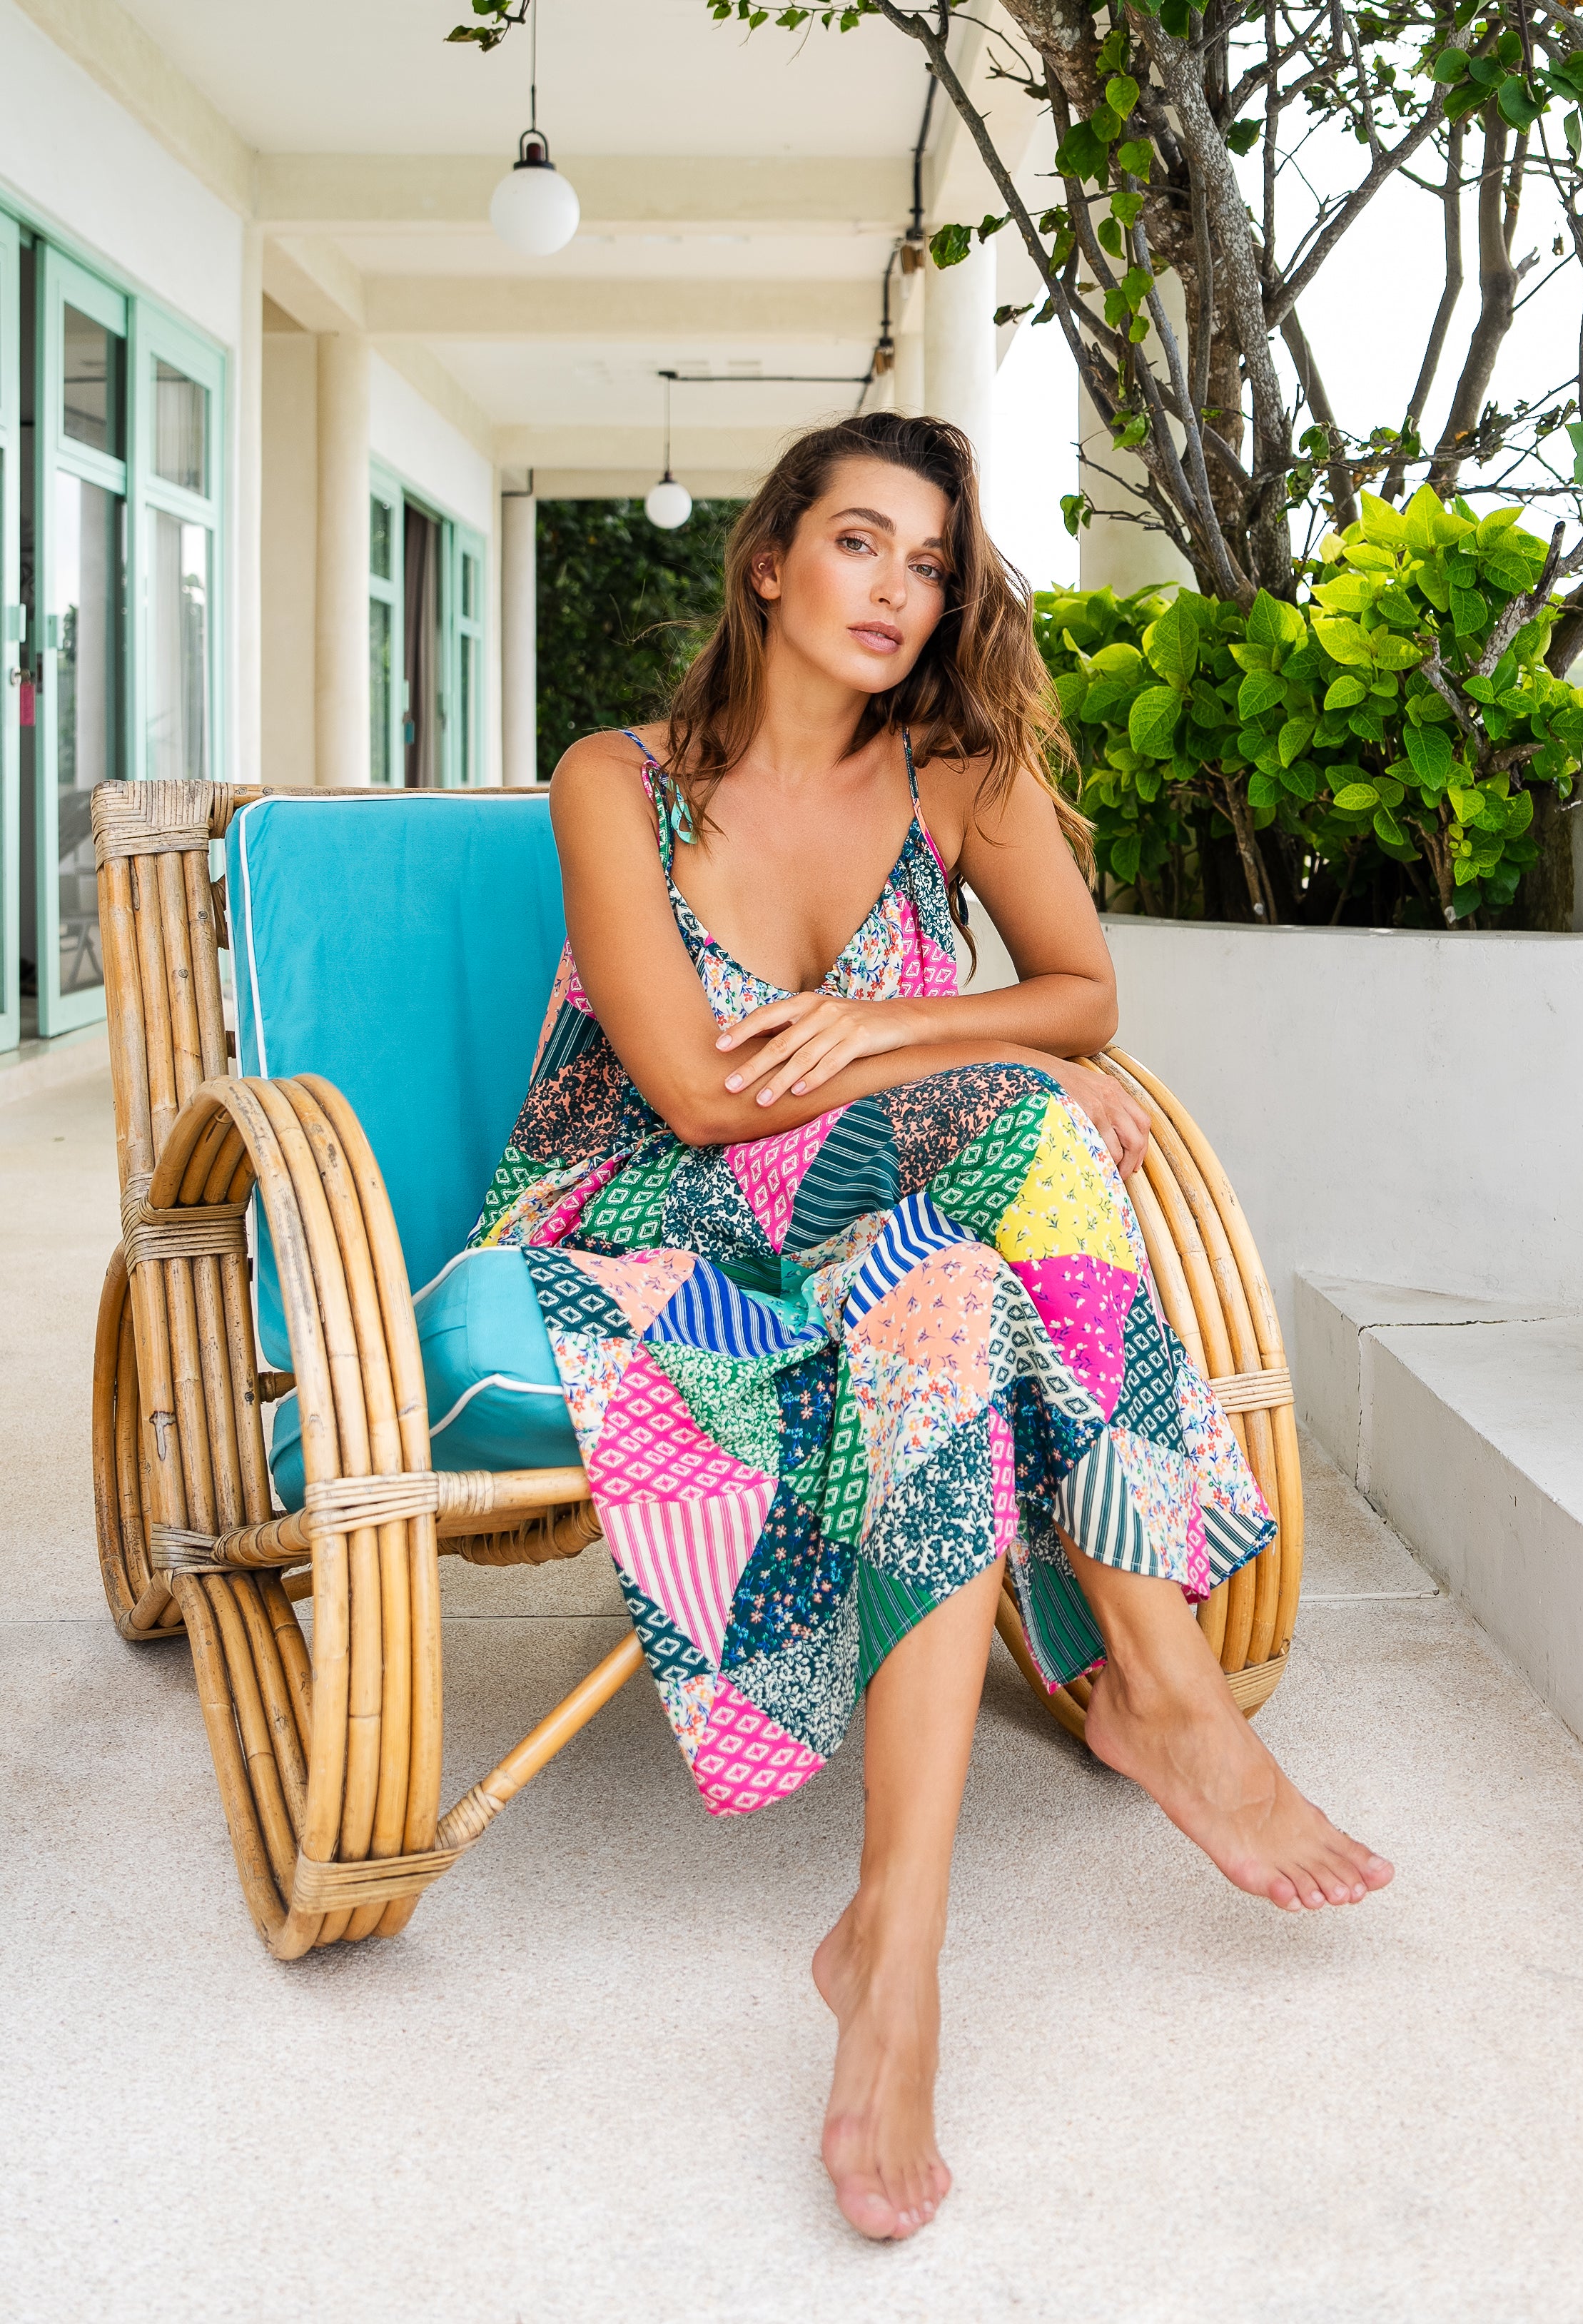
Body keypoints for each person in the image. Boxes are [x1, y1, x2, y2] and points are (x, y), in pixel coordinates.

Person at [471, 411, 1392, 2241]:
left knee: (951, 1293)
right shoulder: (615, 779)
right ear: (770, 559)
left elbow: (1084, 987)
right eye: (862, 544)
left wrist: (912, 1031)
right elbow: (695, 1087)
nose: (901, 590)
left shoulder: (955, 776)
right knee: (1037, 1124)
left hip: (879, 1220)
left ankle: (894, 1949)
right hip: (644, 1215)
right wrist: (989, 1060)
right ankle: (1164, 1689)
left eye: (935, 565)